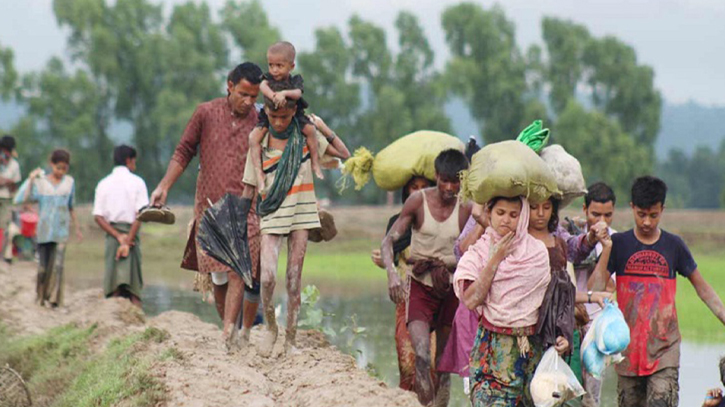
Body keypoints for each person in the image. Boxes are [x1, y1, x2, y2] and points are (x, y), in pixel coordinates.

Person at [149, 62, 264, 349]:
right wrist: (164, 186)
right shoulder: (206, 113)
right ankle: (230, 326)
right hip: (210, 206)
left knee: (239, 268)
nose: (248, 102)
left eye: (254, 97)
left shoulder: (261, 119)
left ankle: (228, 332)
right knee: (218, 276)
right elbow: (184, 150)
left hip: (245, 206)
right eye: (243, 94)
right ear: (229, 86)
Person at [589, 176, 725, 407]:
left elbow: (703, 289)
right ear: (632, 207)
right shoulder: (619, 244)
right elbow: (595, 288)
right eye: (641, 214)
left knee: (661, 401)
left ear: (663, 209)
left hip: (664, 350)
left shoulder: (674, 246)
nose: (646, 222)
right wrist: (607, 250)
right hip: (627, 351)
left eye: (653, 215)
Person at [241, 82, 350, 357]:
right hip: (271, 213)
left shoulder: (305, 137)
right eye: (273, 116)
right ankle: (270, 328)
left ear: (294, 115)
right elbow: (249, 186)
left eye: (285, 117)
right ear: (265, 112)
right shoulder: (260, 141)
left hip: (301, 215)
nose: (278, 122)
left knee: (292, 280)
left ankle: (290, 339)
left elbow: (344, 155)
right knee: (266, 278)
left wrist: (322, 126)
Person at [381, 149, 472, 406]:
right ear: (436, 176)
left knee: (442, 362)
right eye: (445, 180)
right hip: (420, 286)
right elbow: (389, 242)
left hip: (451, 287)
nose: (449, 187)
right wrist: (391, 275)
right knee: (421, 355)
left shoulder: (466, 208)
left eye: (455, 181)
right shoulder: (418, 202)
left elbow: (480, 245)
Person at [455, 196, 551, 406]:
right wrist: (496, 259)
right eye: (500, 213)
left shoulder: (537, 253)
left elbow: (545, 303)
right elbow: (470, 300)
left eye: (513, 215)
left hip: (529, 352)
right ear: (489, 214)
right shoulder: (478, 253)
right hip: (492, 351)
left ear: (523, 217)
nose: (506, 220)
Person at [371, 175, 434, 391]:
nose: (418, 192)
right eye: (413, 188)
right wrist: (384, 264)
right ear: (405, 192)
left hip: (435, 301)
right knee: (407, 363)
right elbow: (393, 259)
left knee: (432, 367)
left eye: (424, 188)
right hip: (406, 303)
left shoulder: (441, 222)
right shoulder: (397, 223)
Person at [248, 41, 321, 191]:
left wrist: (284, 94)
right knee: (253, 138)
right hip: (270, 113)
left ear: (291, 66)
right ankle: (259, 174)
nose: (274, 70)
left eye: (279, 66)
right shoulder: (267, 79)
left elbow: (298, 93)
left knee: (311, 131)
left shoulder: (295, 80)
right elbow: (262, 87)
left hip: (293, 114)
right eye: (271, 65)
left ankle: (315, 162)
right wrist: (273, 96)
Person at [16, 149, 82, 307]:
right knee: (43, 268)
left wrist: (77, 228)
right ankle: (41, 296)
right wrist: (31, 180)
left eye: (64, 168)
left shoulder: (69, 183)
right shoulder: (41, 183)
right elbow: (25, 202)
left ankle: (54, 300)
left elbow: (71, 207)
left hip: (61, 231)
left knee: (58, 266)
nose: (60, 172)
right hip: (44, 231)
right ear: (51, 165)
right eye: (58, 167)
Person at [572, 182, 618, 407]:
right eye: (595, 214)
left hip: (595, 325)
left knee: (591, 396)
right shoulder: (573, 234)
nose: (602, 221)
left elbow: (598, 285)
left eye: (608, 215)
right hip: (569, 320)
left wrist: (606, 248)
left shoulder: (616, 241)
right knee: (564, 390)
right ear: (584, 210)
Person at [93, 145, 148, 306]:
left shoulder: (103, 183)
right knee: (134, 287)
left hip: (113, 236)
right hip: (132, 235)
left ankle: (111, 319)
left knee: (113, 284)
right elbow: (142, 214)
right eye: (134, 161)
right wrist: (128, 239)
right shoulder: (138, 182)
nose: (135, 165)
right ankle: (138, 323)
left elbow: (98, 216)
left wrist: (118, 237)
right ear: (128, 161)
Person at [0, 135, 21, 264]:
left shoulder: (14, 165)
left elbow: (15, 186)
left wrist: (7, 182)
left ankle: (6, 256)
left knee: (5, 227)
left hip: (7, 199)